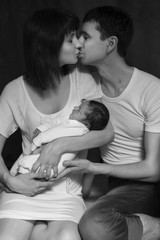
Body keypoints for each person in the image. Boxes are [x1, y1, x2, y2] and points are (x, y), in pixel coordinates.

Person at [36, 6, 160, 240]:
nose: (78, 43)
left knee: (93, 224)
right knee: (60, 218)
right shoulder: (86, 84)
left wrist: (95, 169)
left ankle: (154, 227)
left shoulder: (152, 90)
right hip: (106, 181)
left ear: (110, 44)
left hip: (142, 185)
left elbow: (153, 170)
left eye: (86, 36)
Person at [0, 8, 113, 240]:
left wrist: (59, 145)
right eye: (71, 39)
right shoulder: (13, 91)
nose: (79, 43)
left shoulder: (83, 79)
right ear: (48, 45)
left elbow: (106, 134)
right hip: (25, 187)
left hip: (66, 193)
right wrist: (11, 181)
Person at [12, 100, 109, 177]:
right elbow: (55, 120)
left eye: (78, 110)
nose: (75, 108)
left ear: (86, 124)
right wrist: (43, 127)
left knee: (29, 166)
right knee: (24, 165)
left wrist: (37, 141)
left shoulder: (77, 129)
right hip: (44, 152)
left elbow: (51, 134)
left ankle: (17, 179)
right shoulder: (71, 119)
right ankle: (15, 178)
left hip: (51, 159)